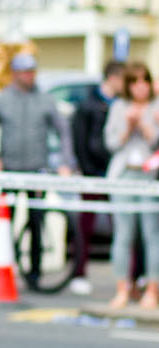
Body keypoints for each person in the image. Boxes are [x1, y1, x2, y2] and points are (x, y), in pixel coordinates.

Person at [0, 52, 74, 289]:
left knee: (37, 222)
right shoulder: (4, 99)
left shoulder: (45, 99)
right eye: (25, 72)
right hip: (11, 169)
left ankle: (34, 272)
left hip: (36, 169)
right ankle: (1, 264)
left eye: (32, 71)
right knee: (5, 219)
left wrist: (66, 161)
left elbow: (62, 130)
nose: (29, 76)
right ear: (15, 74)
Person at [102, 61, 159, 310]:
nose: (140, 87)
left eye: (144, 81)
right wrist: (128, 126)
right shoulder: (118, 107)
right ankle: (122, 289)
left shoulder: (155, 107)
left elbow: (155, 142)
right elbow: (112, 143)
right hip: (124, 175)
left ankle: (152, 291)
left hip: (148, 175)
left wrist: (146, 125)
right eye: (134, 81)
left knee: (151, 235)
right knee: (123, 235)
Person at [70, 59, 126, 296]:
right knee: (86, 225)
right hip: (93, 173)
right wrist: (88, 170)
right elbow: (80, 142)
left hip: (115, 172)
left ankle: (131, 278)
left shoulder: (123, 105)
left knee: (124, 226)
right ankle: (79, 272)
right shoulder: (88, 105)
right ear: (113, 78)